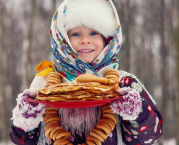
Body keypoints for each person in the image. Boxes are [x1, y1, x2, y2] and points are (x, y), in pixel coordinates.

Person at [10, 0, 163, 144]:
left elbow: (148, 137)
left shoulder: (125, 84)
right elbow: (23, 141)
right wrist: (27, 117)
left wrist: (134, 113)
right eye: (76, 34)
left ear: (108, 39)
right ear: (62, 40)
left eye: (94, 33)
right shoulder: (43, 86)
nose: (85, 40)